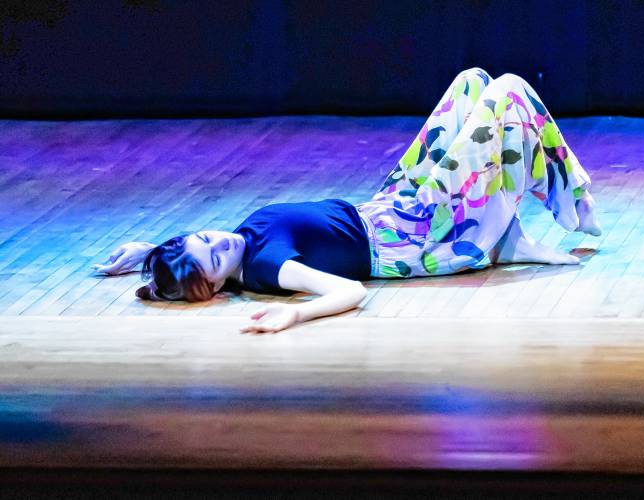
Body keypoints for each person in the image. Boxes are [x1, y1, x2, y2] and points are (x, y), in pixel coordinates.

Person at [94, 68, 601, 334]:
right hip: (414, 235)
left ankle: (510, 234)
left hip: (390, 205)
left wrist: (148, 252)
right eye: (217, 255)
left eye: (206, 237)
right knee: (508, 91)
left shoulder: (241, 246)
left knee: (473, 82)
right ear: (219, 286)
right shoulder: (270, 265)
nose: (221, 240)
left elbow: (205, 251)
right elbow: (350, 293)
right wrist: (295, 315)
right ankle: (570, 198)